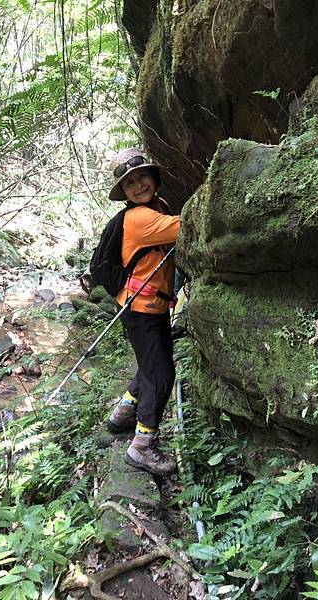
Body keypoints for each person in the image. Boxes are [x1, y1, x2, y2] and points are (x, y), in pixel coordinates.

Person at [106, 148, 181, 476]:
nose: (138, 186)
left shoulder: (155, 207)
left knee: (151, 365)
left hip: (145, 305)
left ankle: (124, 411)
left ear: (154, 177)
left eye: (142, 177)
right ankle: (142, 447)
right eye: (130, 183)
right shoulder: (141, 218)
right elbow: (185, 228)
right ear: (123, 192)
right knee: (161, 376)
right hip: (141, 308)